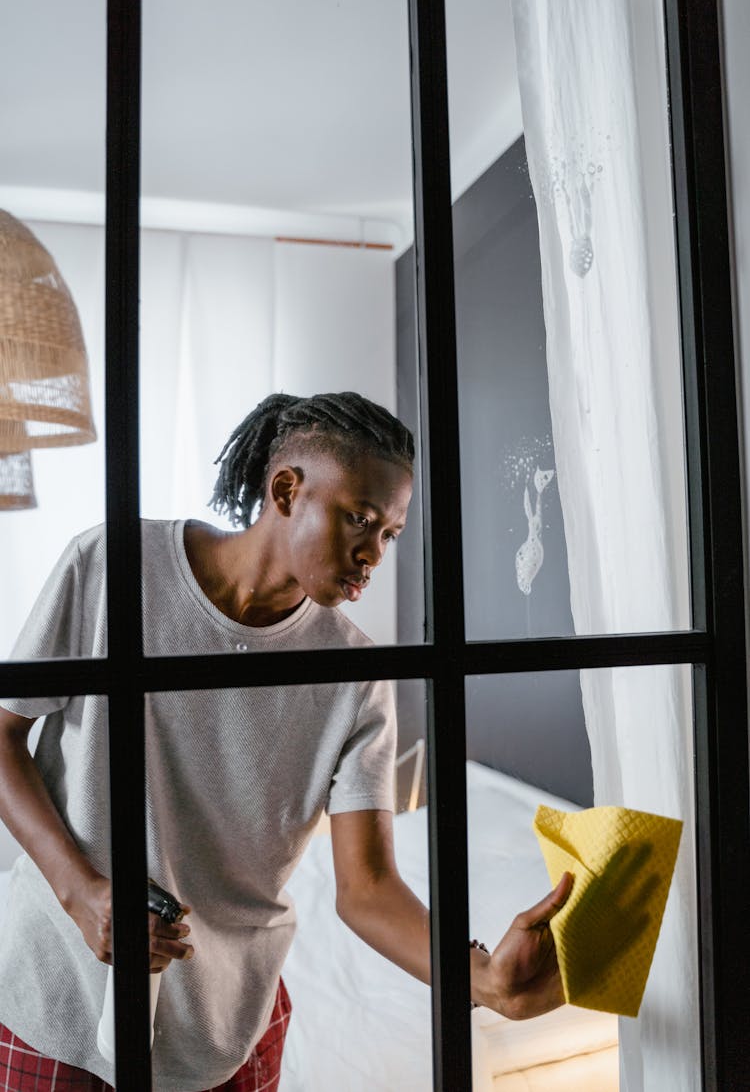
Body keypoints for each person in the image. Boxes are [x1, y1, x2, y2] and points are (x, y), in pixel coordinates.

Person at [0, 392, 571, 1092]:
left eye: (390, 532)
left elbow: (367, 886)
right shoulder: (111, 566)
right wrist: (82, 892)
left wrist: (481, 978)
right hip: (57, 993)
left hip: (225, 1027)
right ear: (285, 489)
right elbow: (2, 736)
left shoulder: (357, 678)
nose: (374, 554)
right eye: (360, 518)